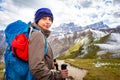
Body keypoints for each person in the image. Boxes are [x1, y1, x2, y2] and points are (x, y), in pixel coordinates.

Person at [29, 8, 68, 80]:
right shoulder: (38, 35)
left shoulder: (37, 33)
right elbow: (37, 68)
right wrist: (58, 75)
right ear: (37, 20)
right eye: (44, 18)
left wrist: (50, 62)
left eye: (50, 19)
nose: (48, 22)